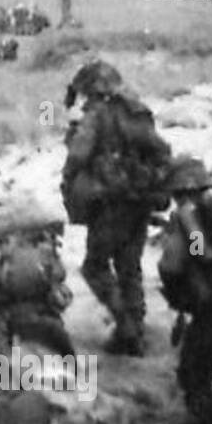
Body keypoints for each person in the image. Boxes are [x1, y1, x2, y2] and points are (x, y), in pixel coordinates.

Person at [60, 59, 172, 355]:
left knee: (94, 267)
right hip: (141, 200)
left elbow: (78, 154)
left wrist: (70, 172)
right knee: (130, 267)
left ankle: (126, 326)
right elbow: (162, 151)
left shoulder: (97, 115)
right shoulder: (137, 111)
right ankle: (135, 329)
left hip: (110, 202)